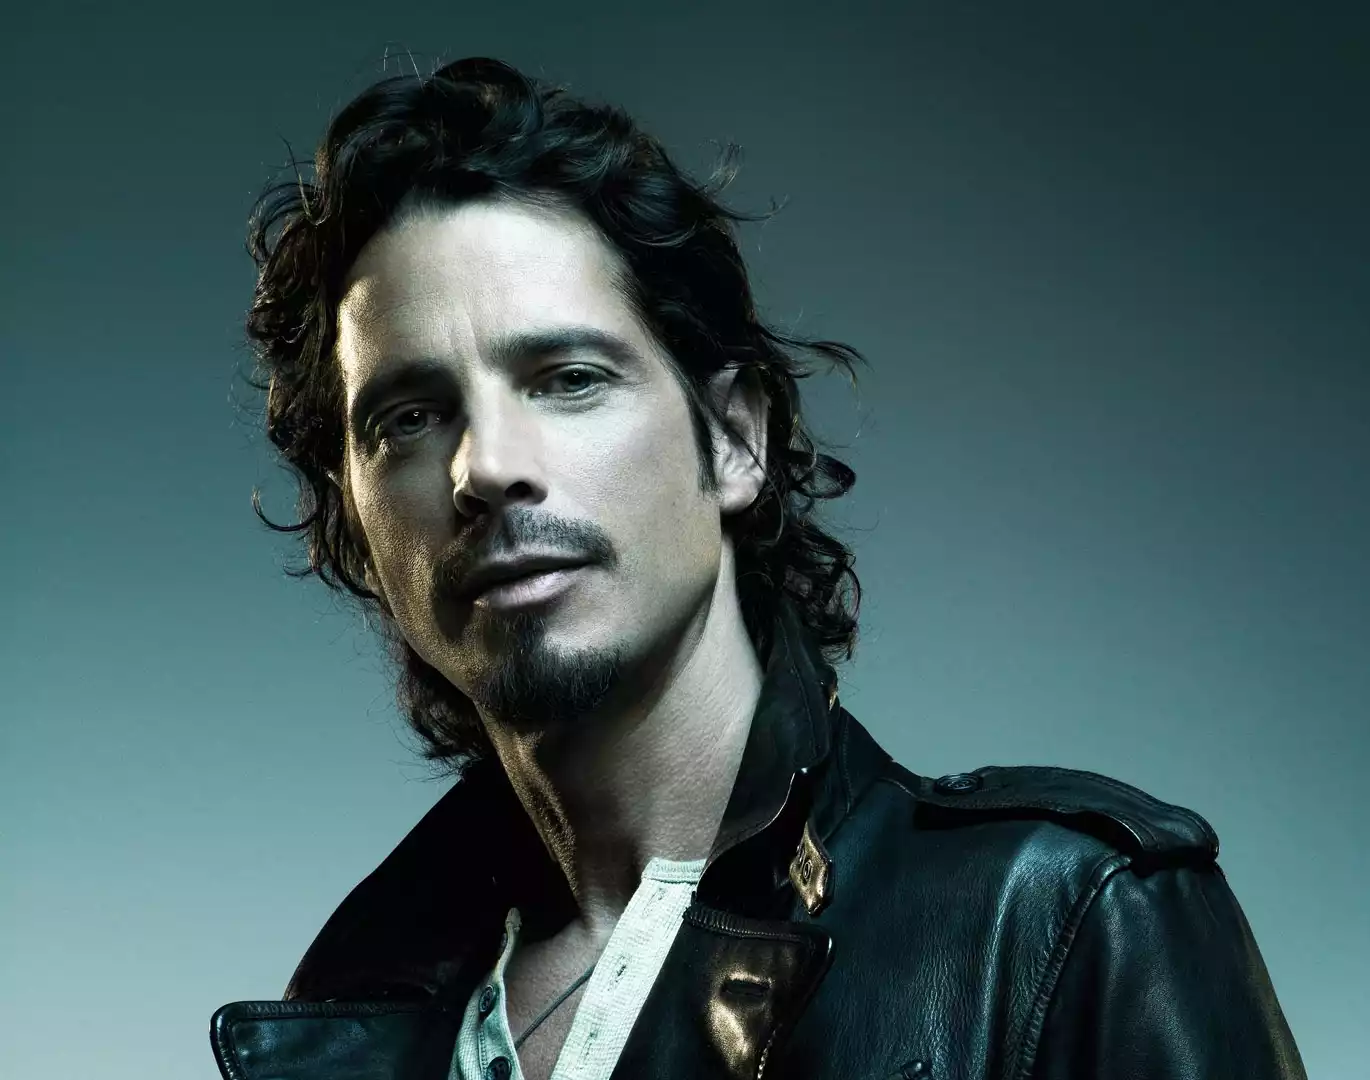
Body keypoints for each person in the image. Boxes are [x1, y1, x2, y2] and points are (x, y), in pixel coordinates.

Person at [211, 56, 1309, 1080]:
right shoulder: (352, 1004)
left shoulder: (1065, 922)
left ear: (736, 439)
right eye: (408, 417)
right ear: (355, 524)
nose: (485, 466)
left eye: (569, 378)